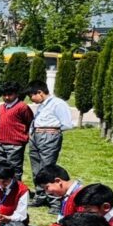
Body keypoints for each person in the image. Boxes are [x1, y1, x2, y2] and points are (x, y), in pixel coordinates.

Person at [26, 80, 74, 209]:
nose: (31, 100)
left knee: (47, 168)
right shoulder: (42, 105)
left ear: (40, 92)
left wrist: (52, 132)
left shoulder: (58, 104)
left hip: (48, 136)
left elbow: (67, 123)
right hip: (36, 136)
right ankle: (40, 195)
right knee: (36, 168)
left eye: (31, 96)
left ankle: (54, 200)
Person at [18, 165, 82, 226]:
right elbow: (61, 224)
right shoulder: (66, 196)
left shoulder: (80, 196)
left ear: (58, 181)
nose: (47, 192)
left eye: (47, 187)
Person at [0, 81, 32, 182]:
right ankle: (2, 187)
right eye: (4, 95)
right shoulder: (1, 107)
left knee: (14, 169)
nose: (7, 97)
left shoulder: (22, 107)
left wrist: (25, 137)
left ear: (16, 94)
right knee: (1, 168)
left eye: (10, 94)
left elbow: (30, 122)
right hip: (1, 142)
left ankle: (15, 187)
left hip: (15, 144)